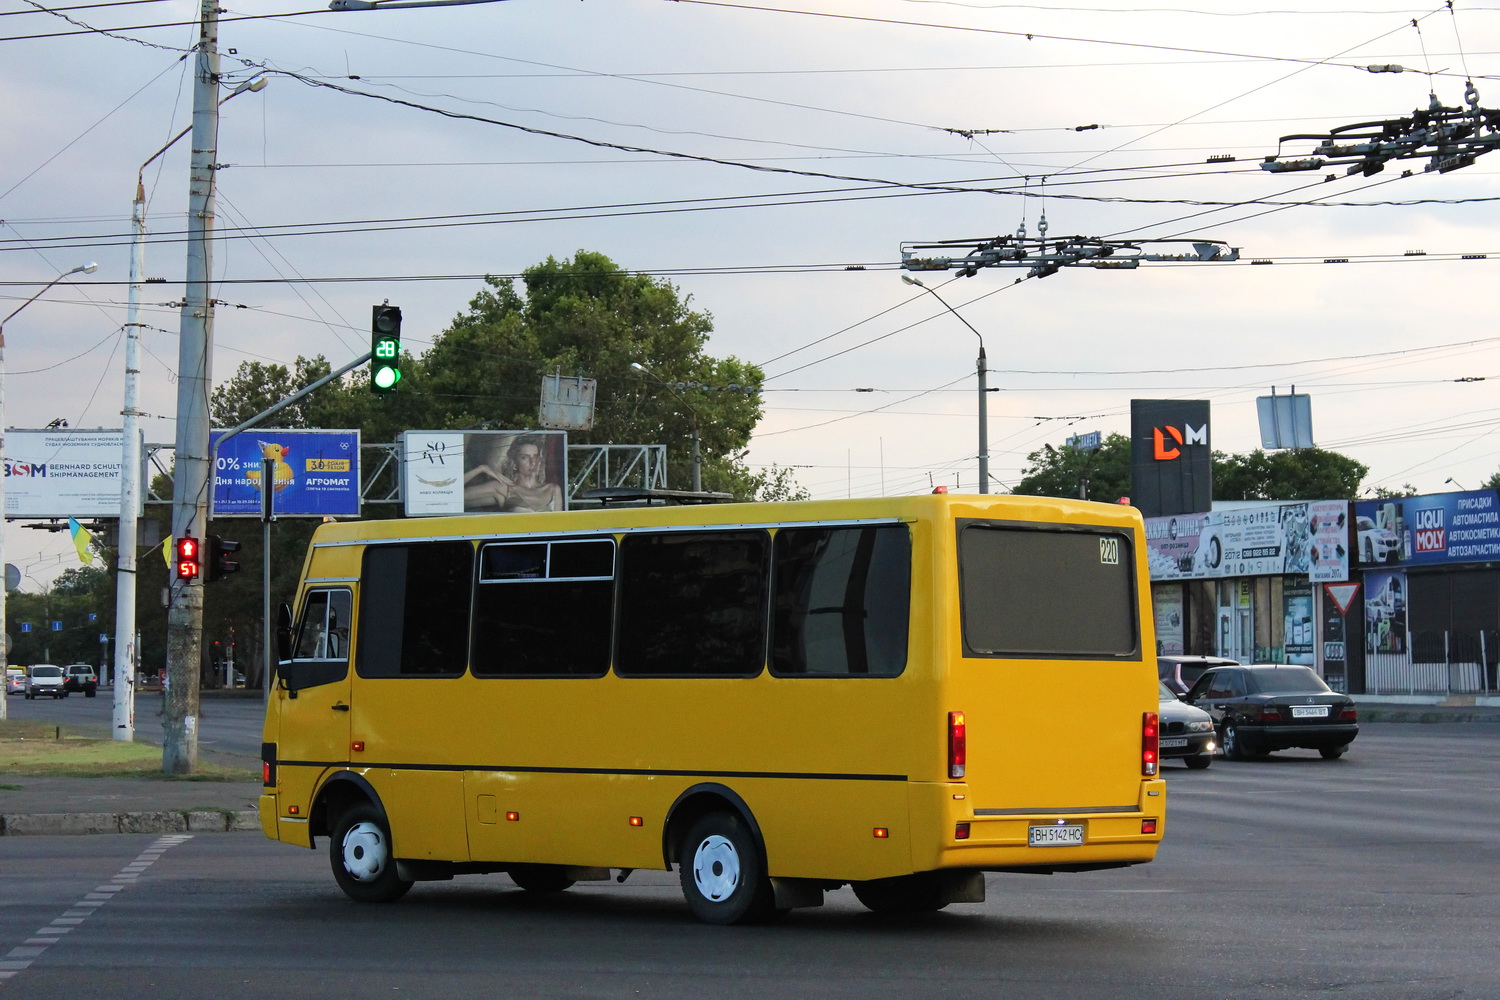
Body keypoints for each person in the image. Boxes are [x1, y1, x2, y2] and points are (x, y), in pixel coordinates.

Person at [464, 434, 563, 513]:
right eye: (525, 457)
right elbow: (453, 494)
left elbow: (560, 527)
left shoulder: (553, 490)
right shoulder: (504, 488)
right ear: (515, 462)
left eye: (535, 457)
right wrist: (481, 469)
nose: (532, 462)